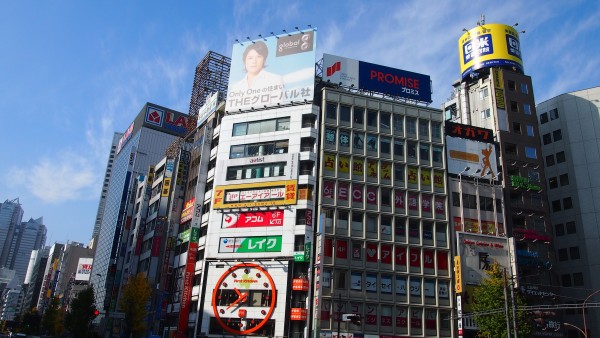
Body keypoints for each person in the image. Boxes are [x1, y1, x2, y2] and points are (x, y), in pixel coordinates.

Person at [228, 41, 284, 110]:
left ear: (264, 59)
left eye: (259, 56)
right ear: (244, 61)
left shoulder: (275, 79)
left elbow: (277, 109)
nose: (254, 61)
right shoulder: (236, 88)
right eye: (250, 58)